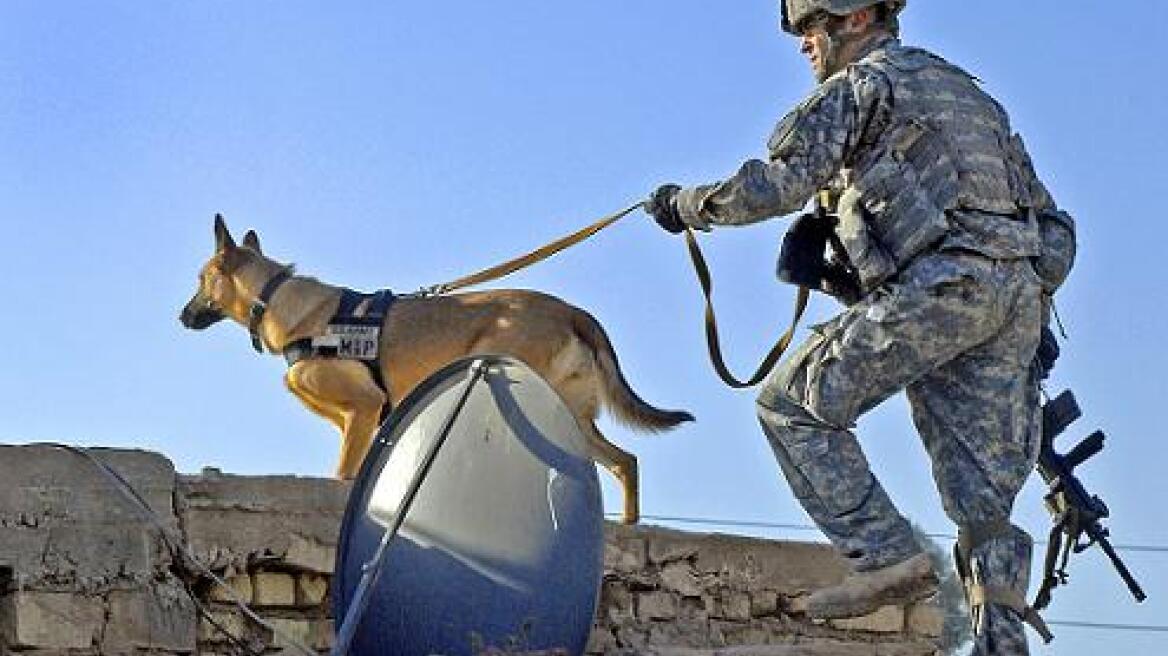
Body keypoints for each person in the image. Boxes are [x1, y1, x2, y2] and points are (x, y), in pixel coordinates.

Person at [645, 1, 1075, 653]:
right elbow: (1055, 229)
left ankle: (886, 555)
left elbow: (780, 182)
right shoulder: (972, 98)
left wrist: (687, 206)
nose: (802, 47)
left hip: (941, 287)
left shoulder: (864, 86)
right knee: (983, 509)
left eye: (809, 30)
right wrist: (1022, 299)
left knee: (791, 405)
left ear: (852, 20)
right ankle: (1000, 644)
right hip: (1012, 298)